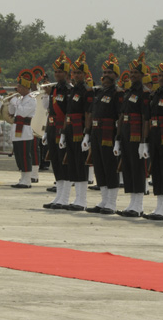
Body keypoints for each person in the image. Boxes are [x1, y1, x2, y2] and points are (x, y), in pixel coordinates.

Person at [85, 55, 123, 215]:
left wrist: (118, 139)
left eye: (110, 72)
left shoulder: (117, 93)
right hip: (96, 132)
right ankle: (104, 199)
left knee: (109, 166)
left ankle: (112, 203)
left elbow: (120, 117)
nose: (106, 75)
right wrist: (87, 134)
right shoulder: (99, 92)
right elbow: (92, 113)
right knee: (99, 166)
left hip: (109, 133)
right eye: (105, 72)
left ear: (116, 76)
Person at [115, 52, 151, 217]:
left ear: (143, 75)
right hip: (126, 133)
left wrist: (144, 141)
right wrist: (118, 137)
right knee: (128, 167)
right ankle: (132, 203)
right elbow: (122, 116)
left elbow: (145, 118)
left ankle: (139, 205)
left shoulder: (144, 93)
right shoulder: (128, 92)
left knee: (137, 168)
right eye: (131, 73)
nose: (133, 75)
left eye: (136, 73)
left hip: (137, 134)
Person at [144, 53, 163, 220]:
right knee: (156, 169)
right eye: (160, 75)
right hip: (155, 136)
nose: (161, 78)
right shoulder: (155, 95)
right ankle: (159, 206)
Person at [61, 53, 94, 211]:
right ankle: (77, 198)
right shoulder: (73, 90)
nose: (76, 75)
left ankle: (82, 199)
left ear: (85, 74)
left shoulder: (87, 90)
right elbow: (67, 112)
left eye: (79, 73)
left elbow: (88, 114)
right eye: (74, 73)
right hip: (69, 129)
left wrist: (87, 134)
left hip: (79, 130)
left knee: (81, 164)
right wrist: (62, 133)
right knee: (73, 164)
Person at [43, 52, 72, 209]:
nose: (57, 74)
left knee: (63, 161)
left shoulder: (69, 89)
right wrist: (47, 131)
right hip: (53, 127)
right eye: (56, 72)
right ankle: (58, 196)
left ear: (66, 74)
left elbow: (68, 112)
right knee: (55, 161)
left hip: (63, 128)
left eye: (60, 72)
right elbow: (50, 111)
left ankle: (65, 198)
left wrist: (64, 133)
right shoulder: (53, 90)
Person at [8, 69, 37, 188]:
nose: (17, 89)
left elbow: (23, 112)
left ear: (25, 87)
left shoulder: (31, 99)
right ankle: (22, 178)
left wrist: (15, 102)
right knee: (19, 155)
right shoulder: (19, 99)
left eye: (19, 87)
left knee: (25, 155)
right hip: (17, 129)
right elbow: (11, 112)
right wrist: (11, 102)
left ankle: (27, 180)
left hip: (25, 130)